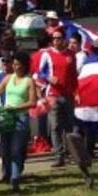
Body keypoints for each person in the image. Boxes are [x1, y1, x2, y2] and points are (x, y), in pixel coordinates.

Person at [0, 51, 37, 192]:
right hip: (6, 117)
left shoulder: (29, 81)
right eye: (14, 64)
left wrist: (17, 107)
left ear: (24, 66)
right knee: (4, 149)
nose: (15, 67)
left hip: (20, 118)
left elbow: (32, 102)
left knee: (16, 150)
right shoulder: (8, 78)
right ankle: (7, 174)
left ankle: (15, 177)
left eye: (18, 64)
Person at [42, 30, 77, 168]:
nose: (56, 40)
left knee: (69, 126)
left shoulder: (71, 55)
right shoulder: (47, 54)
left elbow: (74, 75)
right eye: (54, 38)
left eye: (59, 38)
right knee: (55, 126)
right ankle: (58, 155)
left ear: (63, 39)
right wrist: (47, 77)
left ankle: (71, 153)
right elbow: (39, 71)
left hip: (68, 95)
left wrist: (76, 92)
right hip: (53, 95)